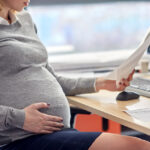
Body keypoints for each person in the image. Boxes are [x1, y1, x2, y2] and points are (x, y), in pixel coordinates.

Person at [0, 0, 150, 150]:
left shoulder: (25, 19)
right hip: (18, 138)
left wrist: (101, 83)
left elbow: (51, 78)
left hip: (56, 133)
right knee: (138, 147)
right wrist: (20, 118)